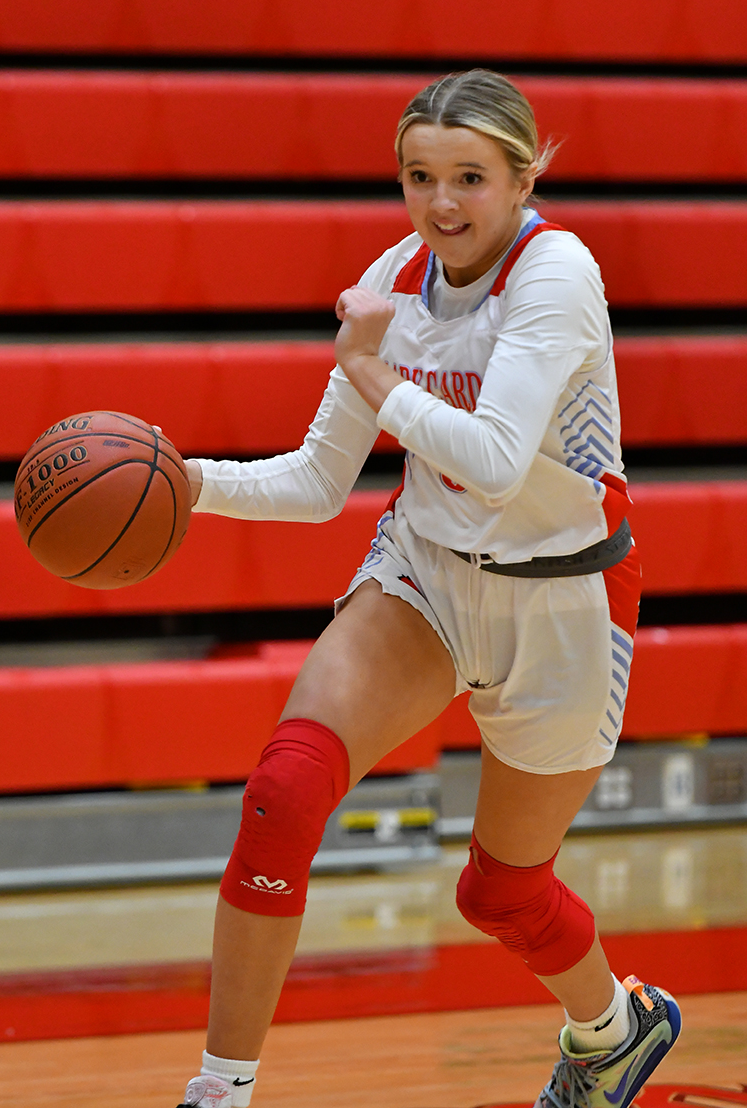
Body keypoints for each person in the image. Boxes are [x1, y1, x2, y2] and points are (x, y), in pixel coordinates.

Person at [175, 69, 681, 1108]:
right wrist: (187, 484)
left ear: (525, 171)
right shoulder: (396, 277)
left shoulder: (556, 273)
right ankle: (218, 1091)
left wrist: (369, 368)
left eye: (469, 178)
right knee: (281, 794)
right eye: (418, 177)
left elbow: (494, 459)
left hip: (565, 603)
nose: (441, 204)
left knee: (501, 893)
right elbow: (319, 483)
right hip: (426, 575)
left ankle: (613, 1031)